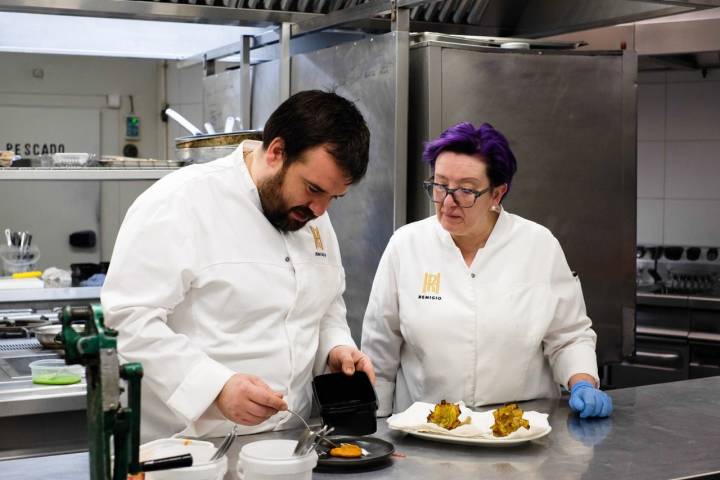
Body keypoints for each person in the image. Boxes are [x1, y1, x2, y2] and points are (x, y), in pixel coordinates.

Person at [102, 90, 376, 441]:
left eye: (332, 197)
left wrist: (335, 348)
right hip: (192, 449)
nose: (321, 211)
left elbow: (324, 307)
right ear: (277, 152)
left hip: (291, 443)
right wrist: (215, 388)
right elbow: (126, 320)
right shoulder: (179, 201)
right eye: (313, 188)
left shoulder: (311, 214)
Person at [361, 122, 612, 419]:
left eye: (466, 191)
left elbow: (569, 335)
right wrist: (377, 426)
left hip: (519, 431)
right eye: (440, 186)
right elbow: (380, 349)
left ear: (497, 194)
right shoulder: (407, 244)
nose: (448, 203)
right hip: (426, 429)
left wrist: (582, 382)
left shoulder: (538, 245)